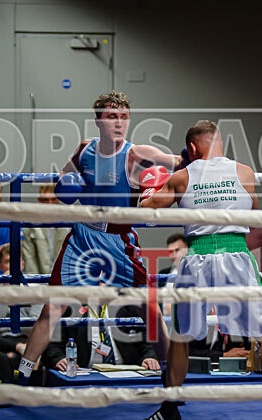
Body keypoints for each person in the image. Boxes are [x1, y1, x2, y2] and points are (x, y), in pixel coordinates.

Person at [138, 120, 262, 420]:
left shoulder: (181, 177)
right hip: (237, 255)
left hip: (195, 257)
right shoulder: (245, 172)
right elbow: (252, 212)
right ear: (220, 143)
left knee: (181, 336)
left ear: (192, 148)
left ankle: (169, 409)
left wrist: (148, 189)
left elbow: (145, 210)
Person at [14, 91, 182, 383]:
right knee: (52, 308)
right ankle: (21, 376)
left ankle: (172, 379)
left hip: (119, 240)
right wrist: (68, 185)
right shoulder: (84, 150)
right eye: (111, 116)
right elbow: (60, 190)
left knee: (149, 308)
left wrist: (202, 162)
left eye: (124, 117)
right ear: (98, 120)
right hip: (82, 238)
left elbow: (179, 161)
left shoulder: (137, 154)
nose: (118, 123)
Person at [43, 304, 160, 371]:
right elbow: (52, 345)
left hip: (126, 372)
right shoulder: (70, 306)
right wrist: (58, 358)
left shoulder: (128, 305)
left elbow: (147, 340)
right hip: (83, 374)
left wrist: (149, 357)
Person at [22, 183, 70, 275]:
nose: (50, 204)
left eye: (53, 199)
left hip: (62, 278)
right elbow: (30, 259)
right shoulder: (30, 225)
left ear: (58, 200)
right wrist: (36, 283)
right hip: (40, 279)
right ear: (39, 200)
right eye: (45, 200)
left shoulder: (67, 222)